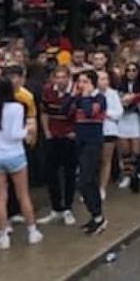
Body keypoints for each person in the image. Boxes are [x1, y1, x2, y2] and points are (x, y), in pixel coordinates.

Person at [0, 77, 42, 248]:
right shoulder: (17, 107)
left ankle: (4, 235)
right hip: (15, 155)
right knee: (23, 195)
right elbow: (15, 134)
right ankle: (32, 231)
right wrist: (28, 130)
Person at [65, 70, 108, 235]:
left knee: (85, 181)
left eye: (85, 81)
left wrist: (85, 96)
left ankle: (99, 217)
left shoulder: (99, 99)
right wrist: (73, 95)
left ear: (92, 83)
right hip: (80, 143)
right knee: (89, 182)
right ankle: (96, 217)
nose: (81, 85)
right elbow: (65, 110)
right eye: (79, 82)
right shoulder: (79, 98)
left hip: (93, 143)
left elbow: (90, 112)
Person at [38, 65, 78, 225]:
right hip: (53, 136)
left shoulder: (76, 92)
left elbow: (80, 113)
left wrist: (75, 131)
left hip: (69, 137)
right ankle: (56, 208)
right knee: (51, 173)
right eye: (57, 77)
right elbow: (44, 112)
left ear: (68, 77)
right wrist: (47, 131)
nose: (60, 80)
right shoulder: (48, 91)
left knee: (69, 173)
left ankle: (68, 208)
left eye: (63, 77)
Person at [117, 61, 140, 193]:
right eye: (129, 70)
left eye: (134, 70)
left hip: (136, 118)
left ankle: (137, 174)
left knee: (136, 150)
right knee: (125, 151)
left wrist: (136, 99)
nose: (131, 73)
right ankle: (128, 175)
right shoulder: (120, 87)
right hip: (123, 118)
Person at [97, 70, 123, 201]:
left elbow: (118, 113)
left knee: (106, 160)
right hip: (94, 131)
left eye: (106, 79)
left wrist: (105, 113)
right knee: (94, 161)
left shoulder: (113, 94)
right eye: (101, 79)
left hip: (109, 130)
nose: (104, 82)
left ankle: (102, 188)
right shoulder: (92, 94)